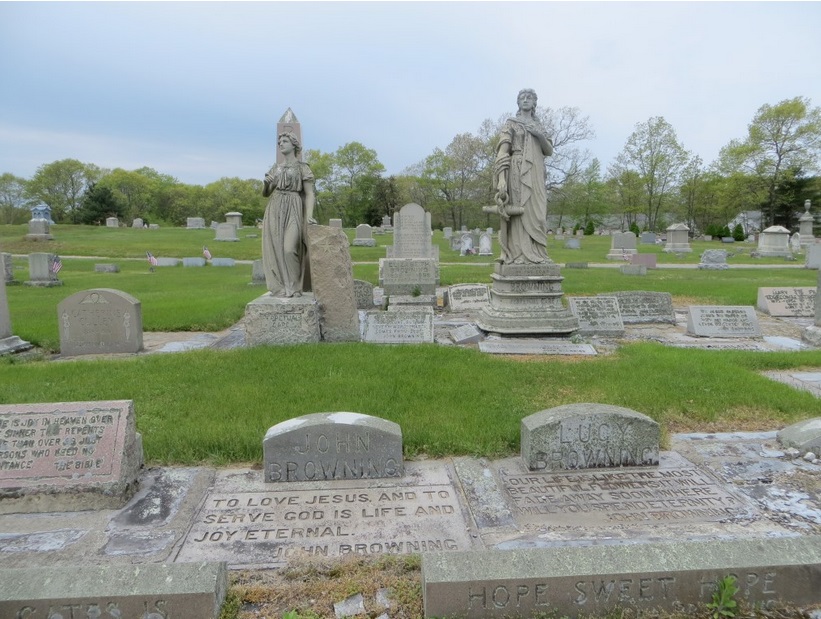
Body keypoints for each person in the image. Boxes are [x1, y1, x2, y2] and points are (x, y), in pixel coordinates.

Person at [494, 88, 553, 264]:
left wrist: (538, 134)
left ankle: (539, 253)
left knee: (539, 214)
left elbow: (548, 150)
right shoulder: (511, 123)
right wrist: (501, 179)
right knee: (520, 211)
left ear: (535, 103)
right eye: (522, 97)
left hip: (537, 171)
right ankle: (519, 254)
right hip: (517, 169)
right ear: (518, 102)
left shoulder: (539, 125)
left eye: (529, 98)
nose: (526, 100)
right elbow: (502, 152)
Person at [261, 131, 316, 297]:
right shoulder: (275, 168)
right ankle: (281, 287)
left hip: (293, 207)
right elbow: (266, 193)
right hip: (275, 208)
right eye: (279, 142)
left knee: (289, 249)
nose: (281, 144)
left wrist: (309, 216)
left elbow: (310, 193)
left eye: (285, 141)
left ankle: (294, 287)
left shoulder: (302, 168)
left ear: (294, 144)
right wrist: (266, 184)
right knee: (276, 249)